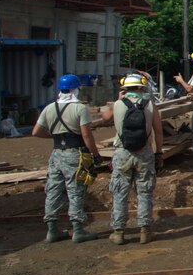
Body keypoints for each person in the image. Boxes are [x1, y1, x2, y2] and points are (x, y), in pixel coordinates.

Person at [31, 74, 102, 243]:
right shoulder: (80, 109)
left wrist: (56, 136)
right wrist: (95, 155)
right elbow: (86, 135)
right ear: (76, 89)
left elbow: (36, 132)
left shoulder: (49, 108)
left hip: (56, 154)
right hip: (74, 153)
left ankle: (52, 230)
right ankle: (78, 230)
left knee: (53, 191)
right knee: (76, 190)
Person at [102, 73, 164, 245]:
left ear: (124, 88)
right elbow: (158, 132)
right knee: (144, 192)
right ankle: (145, 231)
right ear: (142, 87)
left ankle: (119, 232)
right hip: (144, 152)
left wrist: (118, 99)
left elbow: (104, 118)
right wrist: (159, 152)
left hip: (123, 152)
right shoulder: (150, 104)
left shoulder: (118, 104)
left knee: (120, 192)